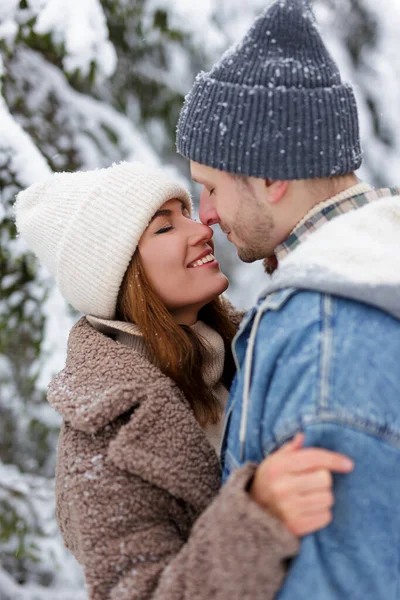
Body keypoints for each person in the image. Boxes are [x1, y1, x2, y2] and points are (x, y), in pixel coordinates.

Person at [14, 161, 353, 600]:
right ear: (117, 273)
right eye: (164, 228)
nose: (201, 230)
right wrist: (257, 517)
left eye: (187, 214)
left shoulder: (254, 346)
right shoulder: (102, 441)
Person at [176, 0, 400, 598]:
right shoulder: (366, 283)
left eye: (212, 186)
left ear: (272, 177)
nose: (208, 216)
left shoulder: (325, 328)